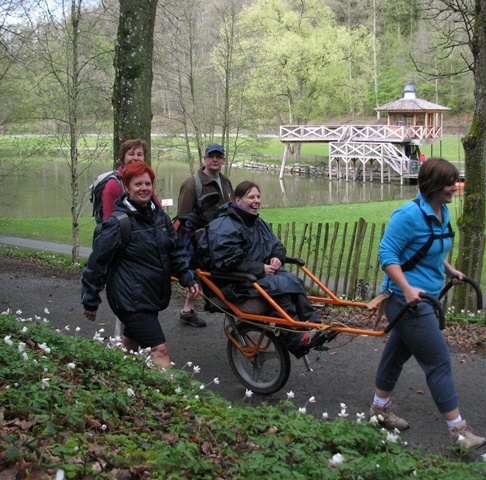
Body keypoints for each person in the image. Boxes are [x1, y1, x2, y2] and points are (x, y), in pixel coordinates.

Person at [370, 157, 486, 450]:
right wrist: (408, 289)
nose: (454, 187)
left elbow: (430, 247)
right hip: (407, 301)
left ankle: (379, 409)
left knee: (396, 356)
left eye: (455, 181)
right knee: (438, 362)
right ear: (433, 185)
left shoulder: (441, 211)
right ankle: (459, 432)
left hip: (426, 298)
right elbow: (387, 255)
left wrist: (449, 269)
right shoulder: (408, 215)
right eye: (449, 183)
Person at [82, 162, 199, 368]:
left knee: (130, 345)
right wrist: (90, 299)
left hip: (151, 295)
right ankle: (173, 398)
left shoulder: (160, 219)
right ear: (127, 187)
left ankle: (117, 382)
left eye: (148, 183)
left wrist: (187, 277)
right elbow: (96, 263)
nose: (144, 188)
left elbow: (175, 250)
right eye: (138, 184)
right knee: (159, 349)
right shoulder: (118, 223)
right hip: (129, 298)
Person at [199, 181, 329, 358]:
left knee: (293, 280)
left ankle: (314, 326)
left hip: (257, 276)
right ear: (237, 200)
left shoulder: (256, 222)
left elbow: (276, 244)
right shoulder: (225, 225)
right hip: (236, 281)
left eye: (258, 196)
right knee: (280, 286)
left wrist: (277, 257)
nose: (256, 200)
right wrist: (260, 268)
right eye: (251, 197)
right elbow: (227, 260)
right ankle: (294, 338)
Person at [176, 143, 233, 327]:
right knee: (198, 275)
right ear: (204, 158)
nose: (214, 159)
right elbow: (182, 216)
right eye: (211, 156)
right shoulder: (192, 184)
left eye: (218, 156)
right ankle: (199, 309)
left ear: (223, 159)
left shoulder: (225, 182)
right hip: (198, 239)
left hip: (220, 238)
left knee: (210, 275)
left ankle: (189, 310)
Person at [101, 139, 161, 221]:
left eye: (139, 154)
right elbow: (108, 220)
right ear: (123, 158)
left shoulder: (145, 181)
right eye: (131, 154)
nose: (136, 158)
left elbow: (159, 212)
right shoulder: (113, 184)